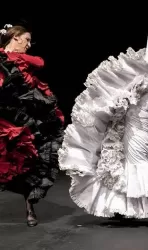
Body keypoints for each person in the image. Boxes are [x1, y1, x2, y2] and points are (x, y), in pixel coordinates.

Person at [58, 28, 148, 226]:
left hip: (138, 125)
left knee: (140, 165)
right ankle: (124, 208)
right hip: (127, 121)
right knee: (123, 165)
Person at [0, 24, 64, 227]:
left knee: (32, 161)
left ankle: (30, 209)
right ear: (16, 37)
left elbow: (40, 62)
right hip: (4, 115)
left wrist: (12, 55)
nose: (28, 44)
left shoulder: (19, 60)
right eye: (26, 39)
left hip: (25, 117)